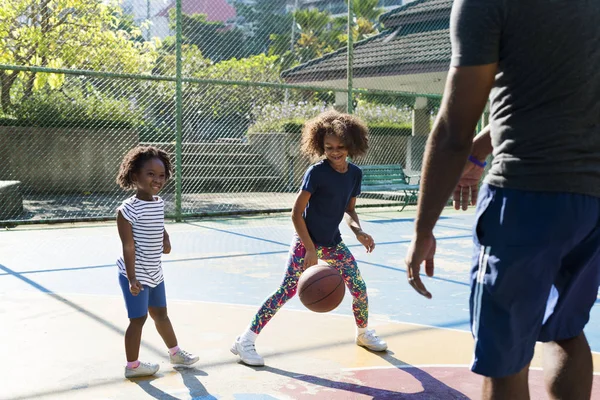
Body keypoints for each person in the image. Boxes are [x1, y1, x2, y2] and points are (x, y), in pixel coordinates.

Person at [404, 0, 600, 398]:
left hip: (525, 193)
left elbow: (453, 129)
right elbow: (565, 87)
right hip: (594, 199)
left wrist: (423, 228)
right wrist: (482, 146)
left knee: (504, 360)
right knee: (566, 331)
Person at [231, 110, 387, 366]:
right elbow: (295, 214)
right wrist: (310, 249)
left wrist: (358, 231)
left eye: (340, 146)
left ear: (351, 145)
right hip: (306, 241)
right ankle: (245, 340)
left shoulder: (355, 174)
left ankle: (362, 334)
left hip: (333, 242)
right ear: (320, 146)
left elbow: (349, 209)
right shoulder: (316, 173)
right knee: (287, 290)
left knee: (359, 288)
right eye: (329, 147)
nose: (335, 151)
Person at [116, 146, 199, 378]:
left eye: (161, 175)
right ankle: (132, 366)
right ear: (135, 176)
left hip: (155, 271)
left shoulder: (158, 202)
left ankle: (175, 353)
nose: (157, 179)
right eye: (150, 174)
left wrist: (165, 236)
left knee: (161, 313)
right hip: (135, 275)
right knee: (138, 319)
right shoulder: (126, 210)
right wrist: (132, 278)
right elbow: (128, 246)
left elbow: (158, 223)